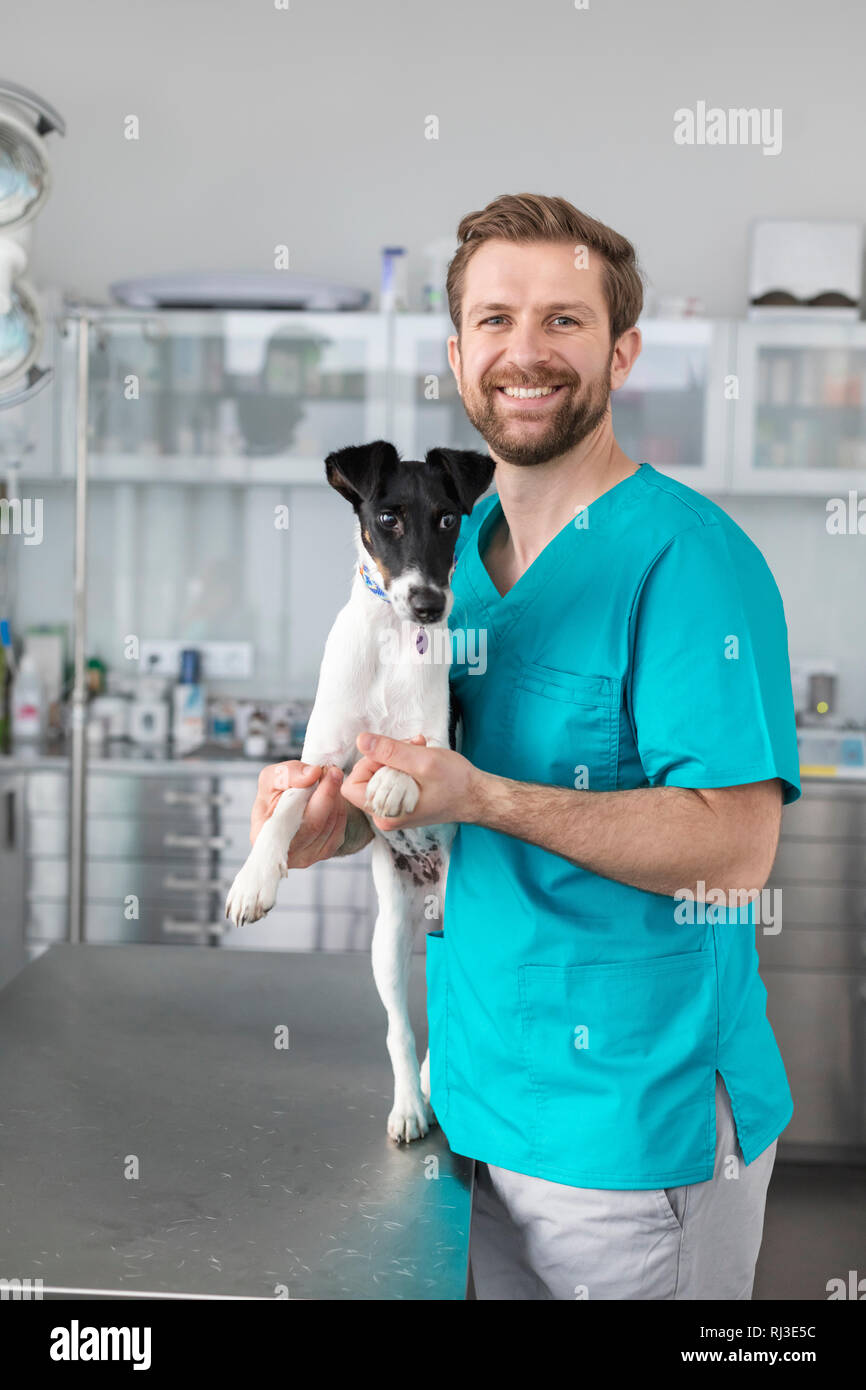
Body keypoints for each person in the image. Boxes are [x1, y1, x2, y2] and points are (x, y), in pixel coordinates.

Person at [249, 192, 801, 1300]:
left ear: (622, 349)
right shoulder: (445, 561)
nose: (524, 352)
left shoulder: (689, 564)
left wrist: (484, 796)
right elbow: (413, 783)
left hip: (631, 1140)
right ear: (457, 356)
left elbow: (733, 854)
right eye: (495, 320)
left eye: (563, 320)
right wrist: (326, 821)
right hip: (473, 1104)